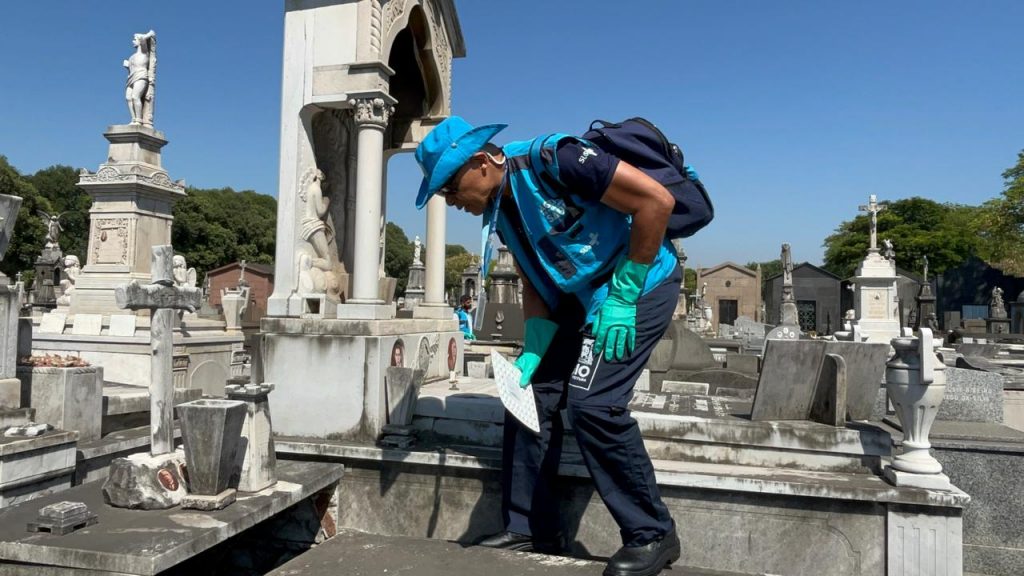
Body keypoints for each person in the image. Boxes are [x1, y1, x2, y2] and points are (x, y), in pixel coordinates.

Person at [414, 116, 684, 576]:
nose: (451, 201)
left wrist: (623, 295)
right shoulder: (502, 213)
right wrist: (534, 349)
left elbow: (656, 202)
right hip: (579, 298)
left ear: (481, 162)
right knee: (528, 395)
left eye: (450, 188)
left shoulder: (555, 160)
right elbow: (534, 281)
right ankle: (529, 528)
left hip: (637, 285)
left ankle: (652, 532)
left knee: (593, 404)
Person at [124, 30, 157, 126]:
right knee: (128, 98)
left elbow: (144, 38)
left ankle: (139, 120)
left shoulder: (144, 52)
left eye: (135, 39)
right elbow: (132, 69)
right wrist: (127, 66)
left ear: (140, 41)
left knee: (135, 96)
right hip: (131, 77)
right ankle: (134, 118)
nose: (133, 41)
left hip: (141, 76)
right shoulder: (132, 57)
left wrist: (149, 34)